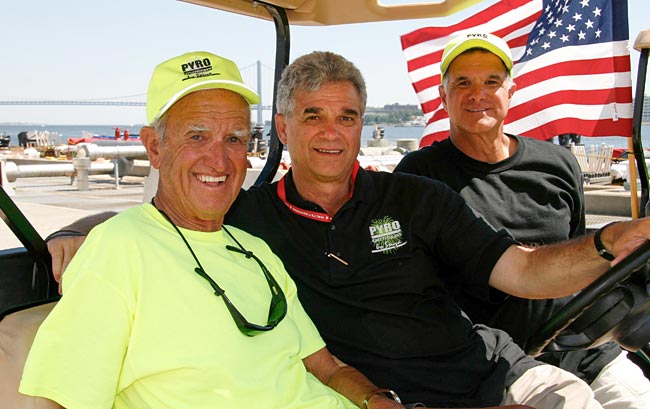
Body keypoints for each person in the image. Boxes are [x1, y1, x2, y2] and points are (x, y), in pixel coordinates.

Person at [45, 50, 650, 408]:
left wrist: (606, 243)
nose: (331, 133)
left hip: (495, 373)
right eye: (313, 115)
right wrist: (74, 230)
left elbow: (520, 270)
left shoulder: (415, 195)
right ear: (283, 128)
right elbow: (174, 206)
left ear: (363, 126)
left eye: (347, 117)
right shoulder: (248, 217)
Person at [18, 51, 405, 409]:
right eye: (197, 136)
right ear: (154, 147)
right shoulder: (119, 250)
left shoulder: (256, 250)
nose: (218, 159)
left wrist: (378, 401)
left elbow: (328, 369)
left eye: (234, 139)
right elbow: (60, 400)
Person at [393, 32, 650, 408]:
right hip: (497, 365)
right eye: (462, 82)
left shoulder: (557, 164)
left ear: (510, 92)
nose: (477, 93)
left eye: (491, 82)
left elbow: (578, 251)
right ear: (443, 94)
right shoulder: (416, 178)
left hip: (583, 347)